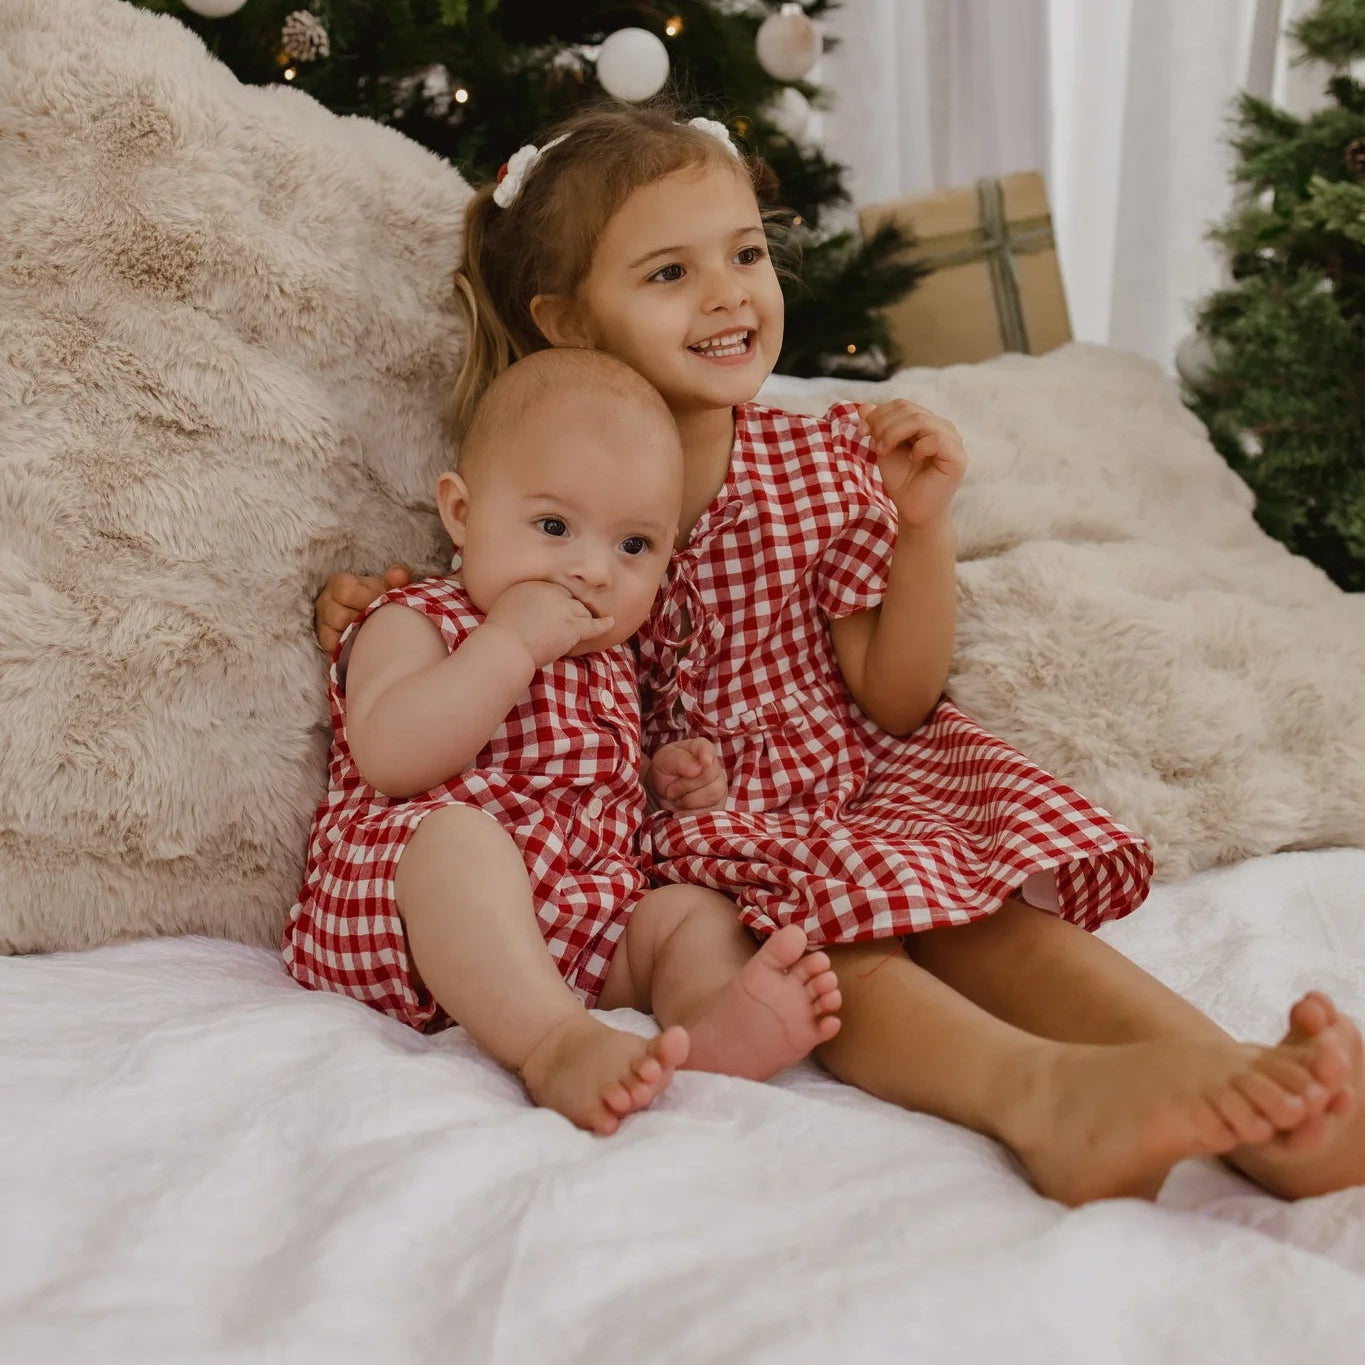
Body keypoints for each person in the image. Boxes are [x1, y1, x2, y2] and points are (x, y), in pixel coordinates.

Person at [315, 103, 1364, 1205]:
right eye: (670, 272)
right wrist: (369, 607)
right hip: (712, 845)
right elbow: (461, 617)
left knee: (992, 924)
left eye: (747, 254)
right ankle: (1044, 1099)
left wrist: (921, 529)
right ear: (568, 321)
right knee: (841, 953)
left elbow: (897, 698)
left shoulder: (813, 462)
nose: (728, 294)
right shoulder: (556, 500)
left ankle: (1245, 1081)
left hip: (846, 784)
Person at [288, 346, 842, 1137]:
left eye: (633, 547)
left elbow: (584, 778)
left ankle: (712, 1023)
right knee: (459, 844)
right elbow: (390, 754)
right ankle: (554, 1044)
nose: (591, 571)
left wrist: (664, 780)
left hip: (574, 917)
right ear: (462, 513)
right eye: (553, 527)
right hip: (414, 914)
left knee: (686, 913)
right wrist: (506, 647)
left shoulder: (609, 659)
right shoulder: (417, 618)